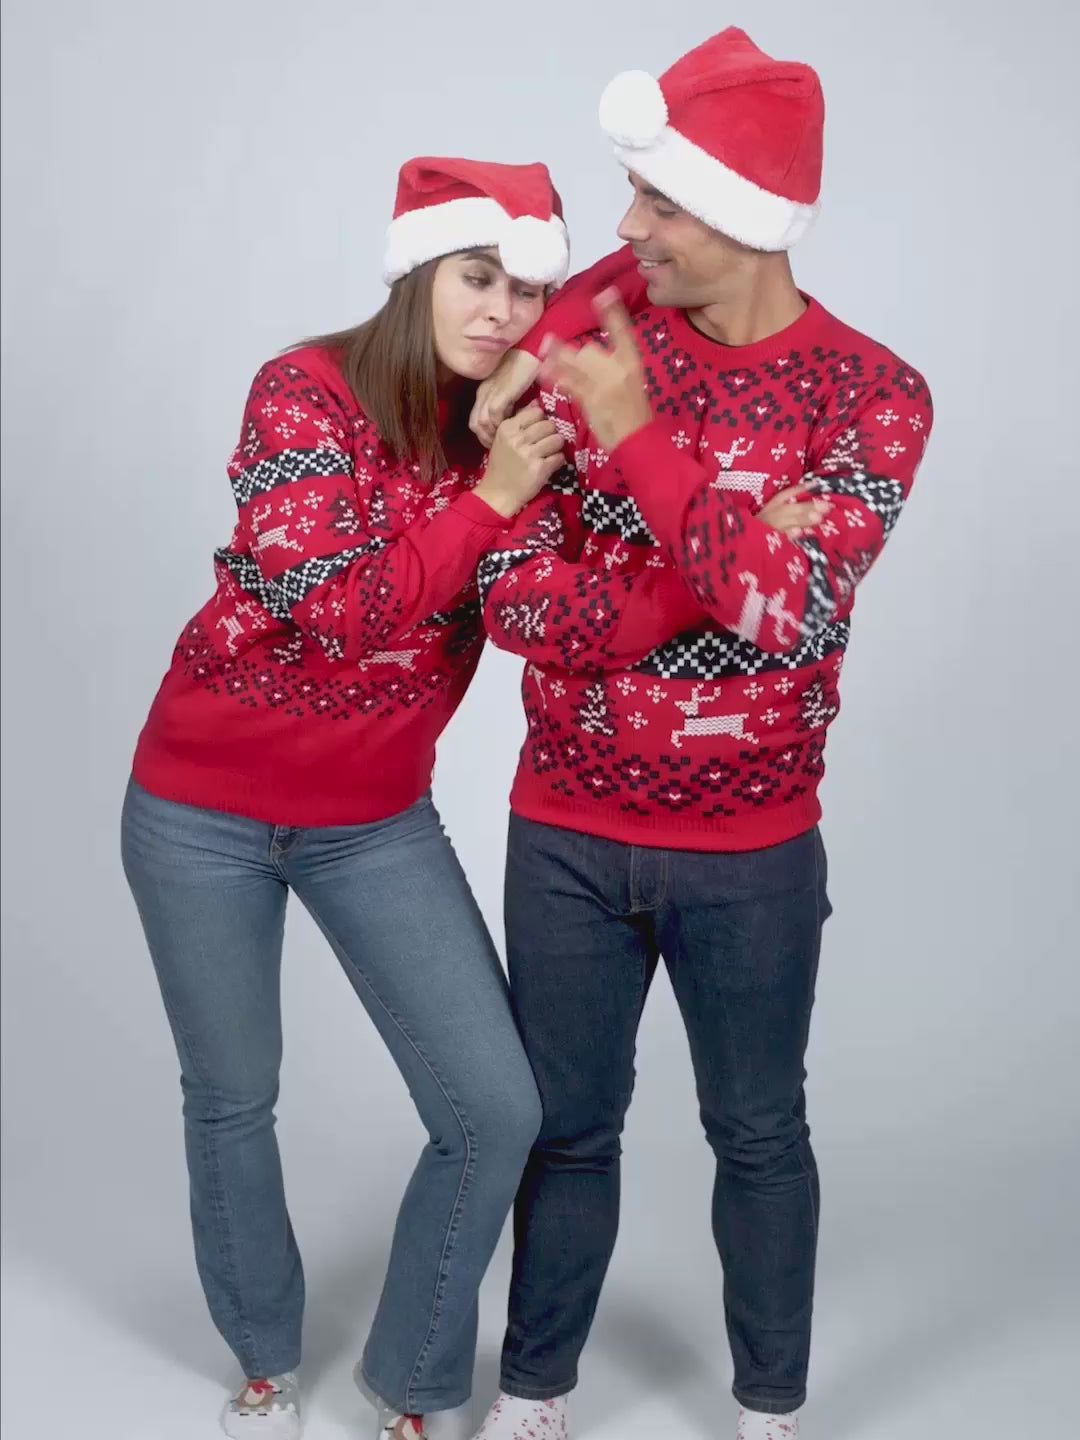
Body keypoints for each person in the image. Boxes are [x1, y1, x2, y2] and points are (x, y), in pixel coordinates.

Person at [468, 28, 934, 1440]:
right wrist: (708, 557)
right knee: (565, 1131)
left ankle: (770, 1406)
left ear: (737, 213)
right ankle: (537, 1390)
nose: (624, 227)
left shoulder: (875, 395)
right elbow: (511, 598)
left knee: (758, 1134)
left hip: (752, 854)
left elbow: (786, 615)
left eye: (657, 202)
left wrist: (641, 441)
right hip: (563, 831)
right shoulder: (589, 342)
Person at [122, 156, 591, 1440]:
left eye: (528, 290)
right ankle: (266, 1356)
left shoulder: (515, 435)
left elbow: (532, 609)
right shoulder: (304, 391)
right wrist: (493, 497)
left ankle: (419, 1377)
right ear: (419, 271)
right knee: (234, 1092)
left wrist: (531, 476)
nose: (501, 310)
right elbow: (332, 609)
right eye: (478, 275)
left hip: (373, 820)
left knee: (494, 1108)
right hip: (199, 806)